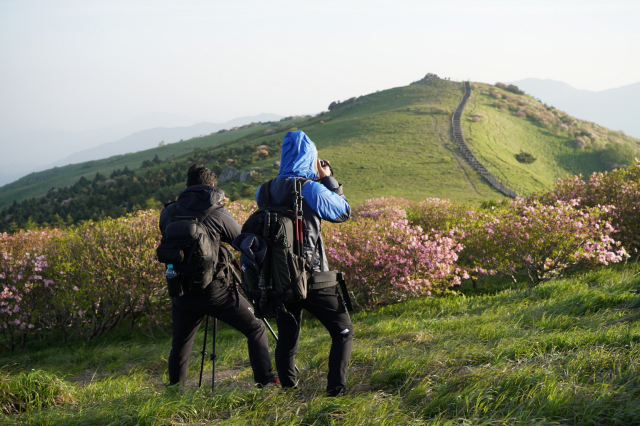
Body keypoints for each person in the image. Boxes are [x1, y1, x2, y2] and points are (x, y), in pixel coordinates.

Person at [159, 164, 276, 387]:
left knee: (181, 345)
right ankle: (266, 381)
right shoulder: (217, 212)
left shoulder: (168, 212)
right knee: (255, 327)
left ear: (187, 185)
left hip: (180, 290)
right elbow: (243, 240)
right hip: (215, 291)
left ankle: (175, 391)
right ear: (212, 185)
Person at [256, 130, 353, 397]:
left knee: (288, 336)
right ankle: (336, 390)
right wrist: (329, 179)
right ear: (311, 158)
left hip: (280, 277)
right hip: (312, 276)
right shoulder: (310, 188)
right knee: (342, 331)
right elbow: (343, 212)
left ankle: (288, 390)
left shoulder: (263, 191)